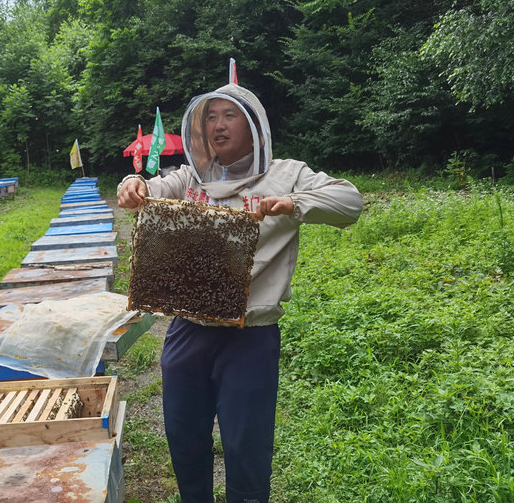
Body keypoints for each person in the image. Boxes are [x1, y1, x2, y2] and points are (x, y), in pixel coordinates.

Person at [117, 83, 363, 503]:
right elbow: (151, 191)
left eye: (229, 115)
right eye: (210, 116)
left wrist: (292, 203)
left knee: (246, 446)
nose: (217, 125)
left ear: (253, 126)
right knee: (183, 435)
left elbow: (349, 201)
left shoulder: (287, 174)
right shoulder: (191, 176)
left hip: (250, 334)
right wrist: (132, 185)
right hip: (188, 330)